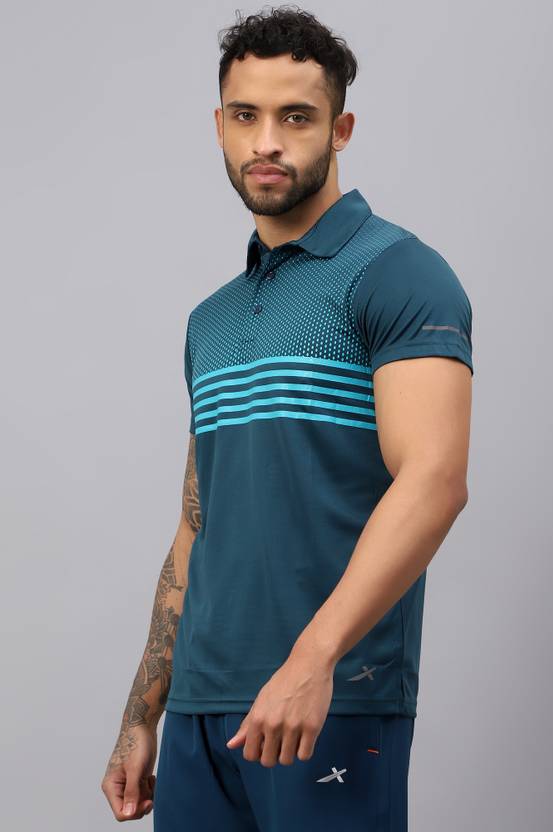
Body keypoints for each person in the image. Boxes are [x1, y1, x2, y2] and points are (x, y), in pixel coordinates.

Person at [101, 6, 474, 830]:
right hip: (200, 712)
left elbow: (435, 481)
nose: (266, 141)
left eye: (296, 117)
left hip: (328, 696)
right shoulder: (212, 319)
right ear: (220, 126)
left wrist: (313, 659)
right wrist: (143, 712)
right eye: (246, 116)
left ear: (340, 130)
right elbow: (197, 523)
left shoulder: (399, 274)